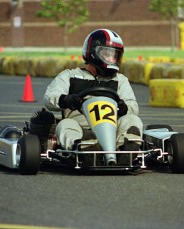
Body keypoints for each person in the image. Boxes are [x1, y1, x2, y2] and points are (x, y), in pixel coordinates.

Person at [44, 28, 143, 164]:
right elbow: (50, 97)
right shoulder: (70, 76)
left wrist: (124, 108)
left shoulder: (119, 80)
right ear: (93, 52)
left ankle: (125, 151)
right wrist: (66, 99)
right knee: (65, 124)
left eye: (115, 55)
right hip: (80, 127)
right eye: (107, 54)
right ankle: (84, 148)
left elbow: (133, 106)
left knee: (133, 120)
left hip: (111, 129)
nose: (112, 59)